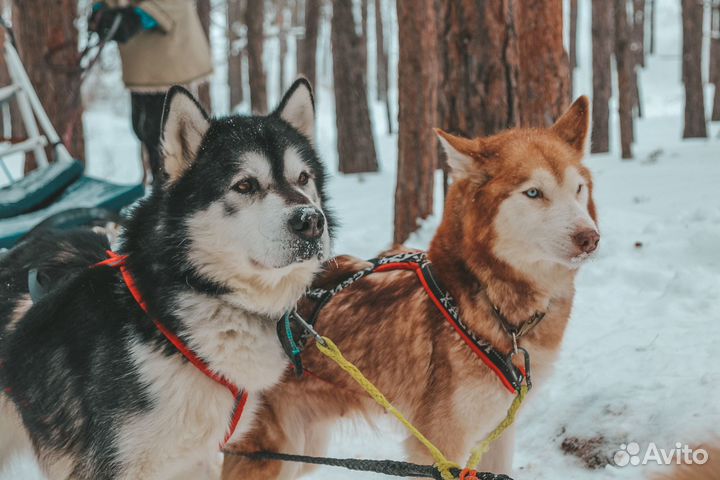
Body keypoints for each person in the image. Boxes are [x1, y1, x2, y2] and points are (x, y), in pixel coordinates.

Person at [90, 1, 212, 183]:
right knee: (145, 130)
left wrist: (141, 16)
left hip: (169, 57)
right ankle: (163, 192)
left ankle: (172, 196)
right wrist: (101, 11)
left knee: (167, 140)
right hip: (138, 63)